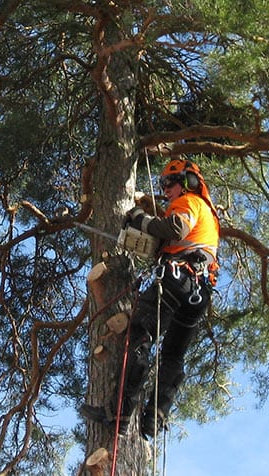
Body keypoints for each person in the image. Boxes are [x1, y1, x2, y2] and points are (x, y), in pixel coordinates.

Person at [83, 158, 220, 439]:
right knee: (172, 356)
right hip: (198, 292)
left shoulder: (190, 202)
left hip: (177, 279)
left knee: (140, 334)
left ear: (186, 182)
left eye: (170, 183)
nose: (165, 189)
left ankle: (118, 413)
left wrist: (139, 219)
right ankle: (154, 418)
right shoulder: (208, 217)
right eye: (162, 184)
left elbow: (175, 229)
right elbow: (180, 239)